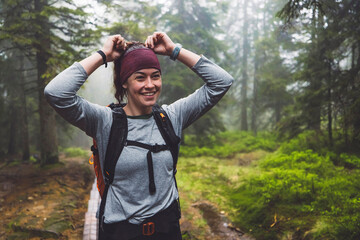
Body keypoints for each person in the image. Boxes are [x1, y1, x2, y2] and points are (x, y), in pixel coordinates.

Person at [44, 32, 233, 240]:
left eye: (155, 76)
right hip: (121, 233)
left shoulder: (171, 117)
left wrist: (174, 50)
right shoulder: (105, 121)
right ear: (125, 82)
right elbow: (56, 92)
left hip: (168, 231)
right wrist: (103, 55)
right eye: (140, 77)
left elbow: (222, 82)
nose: (150, 85)